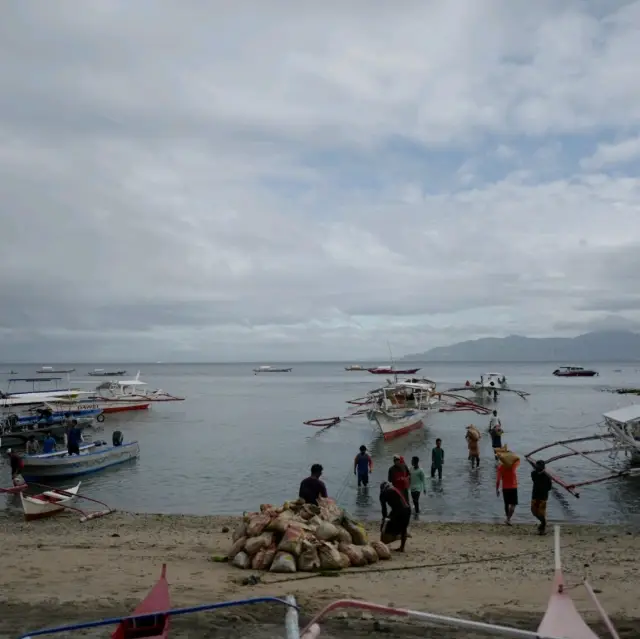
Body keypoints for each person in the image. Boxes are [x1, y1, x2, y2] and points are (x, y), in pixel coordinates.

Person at [379, 481, 411, 552]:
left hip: (399, 511)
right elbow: (404, 502)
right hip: (407, 510)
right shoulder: (396, 490)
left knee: (387, 530)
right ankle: (402, 547)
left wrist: (384, 519)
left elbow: (384, 509)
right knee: (403, 529)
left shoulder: (383, 494)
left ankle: (396, 537)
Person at [496, 455, 520, 525]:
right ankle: (508, 519)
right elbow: (517, 458)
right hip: (513, 487)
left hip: (505, 488)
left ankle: (507, 518)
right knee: (513, 504)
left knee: (506, 504)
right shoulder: (513, 466)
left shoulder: (500, 467)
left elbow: (498, 480)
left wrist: (497, 489)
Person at [531, 460, 553, 535]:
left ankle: (543, 526)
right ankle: (543, 523)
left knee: (541, 512)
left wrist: (546, 475)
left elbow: (550, 487)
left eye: (538, 467)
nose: (537, 468)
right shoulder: (533, 473)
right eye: (536, 466)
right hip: (535, 495)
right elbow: (534, 478)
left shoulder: (547, 476)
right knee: (534, 511)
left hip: (543, 497)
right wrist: (541, 473)